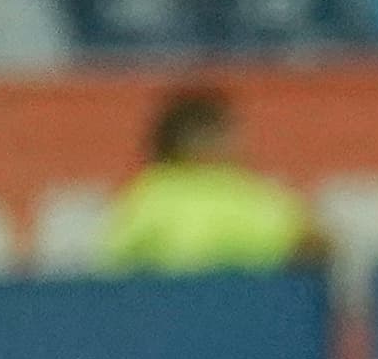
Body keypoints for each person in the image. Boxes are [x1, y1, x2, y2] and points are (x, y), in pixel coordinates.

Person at [99, 86, 324, 272]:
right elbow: (117, 267)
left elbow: (311, 244)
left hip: (259, 312)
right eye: (221, 132)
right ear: (188, 138)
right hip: (178, 315)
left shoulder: (257, 191)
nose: (237, 141)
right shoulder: (152, 196)